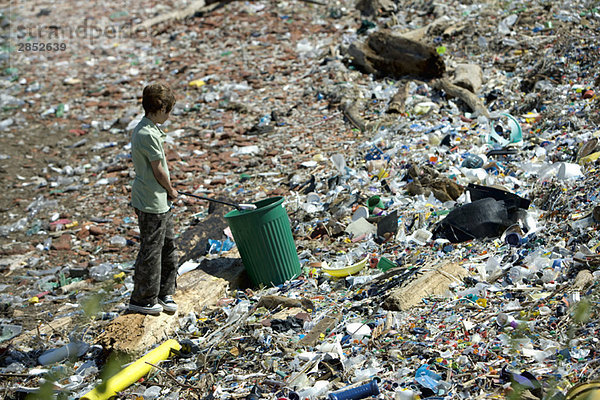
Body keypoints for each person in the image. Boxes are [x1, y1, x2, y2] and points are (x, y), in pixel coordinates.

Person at [128, 82, 179, 315]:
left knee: (168, 246)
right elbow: (158, 170)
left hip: (158, 200)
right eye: (168, 110)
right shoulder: (147, 133)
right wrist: (171, 190)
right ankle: (143, 298)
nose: (169, 115)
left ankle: (164, 292)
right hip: (152, 200)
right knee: (151, 250)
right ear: (159, 109)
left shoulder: (149, 129)